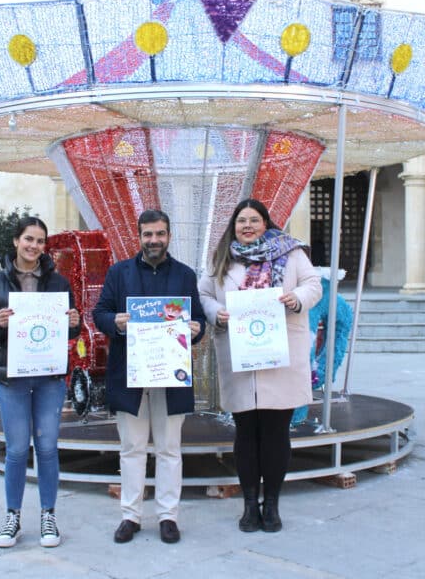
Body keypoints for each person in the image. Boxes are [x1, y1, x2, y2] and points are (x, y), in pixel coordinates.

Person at [198, 198, 321, 533]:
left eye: (254, 220)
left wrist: (296, 298)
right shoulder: (222, 256)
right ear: (233, 225)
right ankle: (250, 504)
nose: (247, 226)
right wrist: (215, 313)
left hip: (280, 355)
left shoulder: (291, 253)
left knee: (276, 432)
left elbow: (313, 285)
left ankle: (273, 504)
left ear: (266, 223)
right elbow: (205, 294)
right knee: (246, 432)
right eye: (241, 221)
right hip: (240, 357)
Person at [93, 209, 205, 544]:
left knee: (170, 448)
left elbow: (196, 319)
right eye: (148, 234)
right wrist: (116, 322)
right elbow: (100, 313)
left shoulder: (185, 275)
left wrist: (196, 330)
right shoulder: (119, 273)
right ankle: (131, 516)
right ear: (138, 236)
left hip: (170, 375)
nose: (153, 240)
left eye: (159, 234)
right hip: (130, 375)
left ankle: (168, 516)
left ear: (169, 236)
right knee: (132, 448)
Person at [0, 216, 81, 549]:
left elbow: (70, 329)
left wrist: (75, 322)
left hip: (49, 376)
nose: (34, 246)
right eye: (28, 239)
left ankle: (48, 515)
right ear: (16, 241)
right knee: (17, 450)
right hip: (13, 378)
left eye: (39, 241)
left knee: (48, 448)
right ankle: (13, 516)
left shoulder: (59, 283)